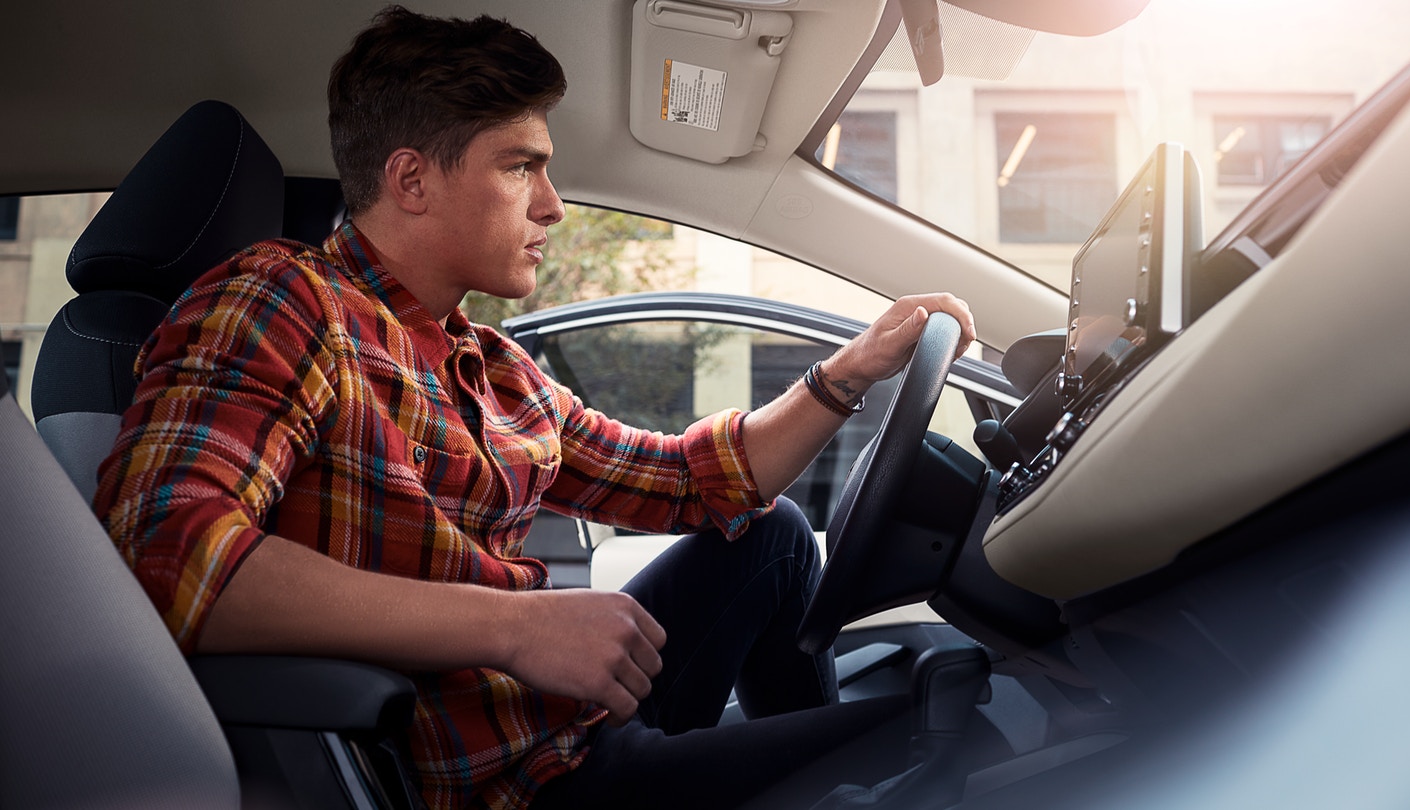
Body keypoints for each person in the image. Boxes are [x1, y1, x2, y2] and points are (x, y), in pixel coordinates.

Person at [93, 6, 976, 809]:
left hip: (575, 719)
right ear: (411, 180)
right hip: (513, 786)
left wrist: (852, 371)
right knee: (943, 739)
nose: (552, 206)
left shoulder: (492, 364)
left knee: (773, 536)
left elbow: (690, 481)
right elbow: (166, 556)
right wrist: (514, 627)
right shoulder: (282, 302)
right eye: (522, 168)